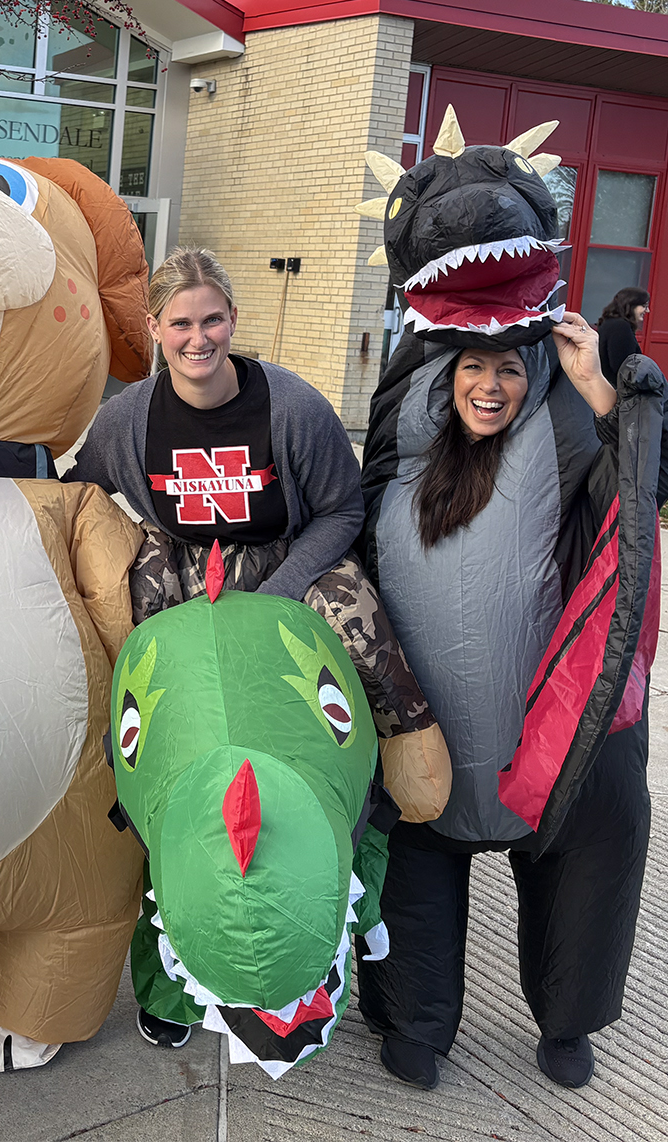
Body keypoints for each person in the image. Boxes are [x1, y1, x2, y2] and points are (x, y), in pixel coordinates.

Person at [67, 246, 447, 1049]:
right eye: (181, 323)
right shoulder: (129, 417)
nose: (197, 337)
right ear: (155, 330)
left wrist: (279, 595)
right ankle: (124, 783)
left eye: (212, 320)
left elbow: (341, 512)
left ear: (232, 321)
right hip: (181, 565)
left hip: (287, 561)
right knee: (140, 669)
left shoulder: (291, 406)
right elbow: (79, 486)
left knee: (359, 621)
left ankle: (406, 751)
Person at [357, 313, 661, 1092]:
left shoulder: (564, 453)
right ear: (446, 372)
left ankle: (567, 1020)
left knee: (582, 865)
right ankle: (413, 1014)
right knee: (415, 865)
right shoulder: (405, 460)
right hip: (432, 734)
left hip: (546, 744)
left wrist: (596, 386)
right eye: (473, 367)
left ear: (536, 382)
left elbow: (641, 486)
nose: (489, 387)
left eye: (510, 371)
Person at [597, 286, 649, 385]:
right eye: (644, 306)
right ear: (631, 305)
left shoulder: (611, 323)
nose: (647, 310)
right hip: (617, 394)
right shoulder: (620, 326)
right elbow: (624, 368)